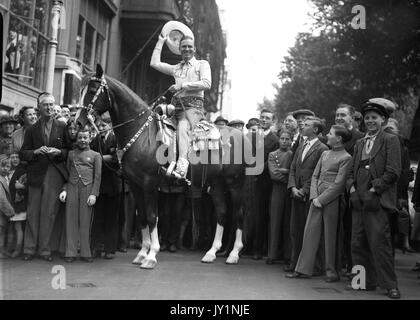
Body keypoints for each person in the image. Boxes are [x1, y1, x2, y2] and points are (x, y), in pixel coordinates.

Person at [347, 100, 401, 299]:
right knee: (357, 243)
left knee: (380, 243)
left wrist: (374, 189)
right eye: (367, 118)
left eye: (374, 118)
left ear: (383, 120)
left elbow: (393, 171)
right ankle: (362, 282)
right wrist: (352, 189)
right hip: (358, 201)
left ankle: (390, 286)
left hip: (377, 200)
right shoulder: (360, 143)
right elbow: (351, 171)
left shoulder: (390, 139)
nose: (370, 121)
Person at [287, 125, 352, 281]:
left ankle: (331, 272)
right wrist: (314, 197)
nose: (327, 136)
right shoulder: (324, 154)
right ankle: (302, 269)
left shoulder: (346, 158)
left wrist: (321, 199)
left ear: (339, 139)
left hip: (332, 200)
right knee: (309, 232)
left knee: (330, 237)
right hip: (316, 199)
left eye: (330, 134)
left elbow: (339, 184)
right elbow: (315, 176)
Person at [151, 34, 211, 179]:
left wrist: (182, 85)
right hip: (176, 107)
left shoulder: (201, 64)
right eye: (184, 46)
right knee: (155, 122)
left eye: (190, 46)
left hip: (194, 108)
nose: (187, 49)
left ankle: (182, 165)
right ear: (179, 49)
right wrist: (160, 41)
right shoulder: (176, 68)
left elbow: (207, 83)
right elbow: (154, 64)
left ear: (194, 49)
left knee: (183, 127)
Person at [19, 92, 70, 262]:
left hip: (54, 172)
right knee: (33, 212)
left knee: (49, 212)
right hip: (36, 173)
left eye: (51, 104)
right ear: (39, 107)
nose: (48, 107)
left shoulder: (62, 126)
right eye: (45, 105)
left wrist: (59, 152)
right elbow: (23, 153)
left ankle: (45, 250)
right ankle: (29, 249)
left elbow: (70, 150)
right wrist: (34, 151)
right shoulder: (32, 129)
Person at [285, 116, 329, 272]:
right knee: (295, 230)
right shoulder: (301, 146)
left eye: (307, 124)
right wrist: (292, 188)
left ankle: (314, 266)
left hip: (309, 196)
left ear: (315, 130)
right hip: (296, 195)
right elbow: (292, 169)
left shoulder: (322, 149)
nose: (302, 126)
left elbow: (318, 174)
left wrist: (303, 190)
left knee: (309, 232)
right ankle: (295, 262)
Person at [59, 128, 102, 263]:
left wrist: (94, 194)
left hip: (87, 189)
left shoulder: (96, 155)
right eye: (80, 138)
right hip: (72, 187)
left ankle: (85, 252)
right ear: (76, 139)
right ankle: (70, 252)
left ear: (90, 138)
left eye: (85, 137)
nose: (82, 140)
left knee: (85, 221)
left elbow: (98, 176)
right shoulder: (71, 154)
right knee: (70, 220)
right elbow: (66, 173)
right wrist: (64, 189)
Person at [334, 103, 364, 276]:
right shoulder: (333, 137)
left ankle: (354, 269)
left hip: (351, 191)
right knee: (338, 230)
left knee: (352, 231)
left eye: (343, 115)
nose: (339, 118)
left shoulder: (360, 137)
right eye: (337, 115)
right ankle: (340, 264)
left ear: (352, 118)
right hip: (334, 192)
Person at [90, 117, 122, 259]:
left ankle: (110, 249)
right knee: (97, 218)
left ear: (110, 125)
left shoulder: (116, 139)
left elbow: (117, 158)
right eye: (99, 125)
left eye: (103, 125)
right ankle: (96, 247)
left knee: (111, 218)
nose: (101, 128)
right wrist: (102, 158)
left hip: (113, 185)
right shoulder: (94, 140)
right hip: (98, 184)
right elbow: (89, 156)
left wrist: (99, 158)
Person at [252, 109, 279, 260]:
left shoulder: (275, 139)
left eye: (267, 118)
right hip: (251, 179)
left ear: (272, 121)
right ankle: (252, 247)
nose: (263, 120)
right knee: (253, 213)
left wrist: (258, 170)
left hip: (266, 181)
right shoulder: (252, 136)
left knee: (264, 215)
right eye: (262, 117)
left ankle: (261, 249)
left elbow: (272, 162)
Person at [267, 129, 293, 265]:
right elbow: (274, 174)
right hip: (277, 190)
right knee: (275, 221)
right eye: (282, 138)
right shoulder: (272, 155)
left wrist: (285, 171)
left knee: (288, 222)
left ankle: (287, 254)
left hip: (289, 191)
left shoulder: (292, 155)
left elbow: (294, 173)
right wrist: (287, 173)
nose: (284, 141)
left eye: (287, 139)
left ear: (291, 140)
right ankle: (272, 254)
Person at [9, 153, 27, 258]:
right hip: (8, 203)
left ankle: (18, 249)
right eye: (12, 157)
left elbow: (25, 187)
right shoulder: (7, 170)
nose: (15, 159)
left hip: (19, 203)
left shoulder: (22, 171)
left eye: (17, 157)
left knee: (18, 227)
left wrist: (21, 187)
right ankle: (9, 248)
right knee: (10, 227)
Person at [0, 155, 15, 258]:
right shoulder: (1, 180)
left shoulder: (6, 178)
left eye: (7, 166)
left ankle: (2, 250)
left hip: (3, 212)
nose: (5, 168)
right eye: (2, 166)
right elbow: (2, 199)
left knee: (3, 232)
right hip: (2, 211)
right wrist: (10, 211)